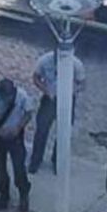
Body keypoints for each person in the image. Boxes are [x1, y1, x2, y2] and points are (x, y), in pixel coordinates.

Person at [29, 46, 86, 174]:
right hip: (50, 99)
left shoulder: (76, 64)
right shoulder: (44, 60)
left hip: (67, 101)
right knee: (41, 131)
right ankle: (35, 161)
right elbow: (36, 77)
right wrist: (46, 90)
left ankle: (57, 162)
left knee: (63, 133)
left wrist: (71, 91)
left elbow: (82, 83)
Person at [0, 77, 33, 212]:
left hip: (15, 137)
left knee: (19, 168)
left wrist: (18, 127)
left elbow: (28, 113)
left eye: (10, 96)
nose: (8, 100)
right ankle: (4, 194)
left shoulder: (22, 97)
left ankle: (23, 195)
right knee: (0, 169)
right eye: (5, 97)